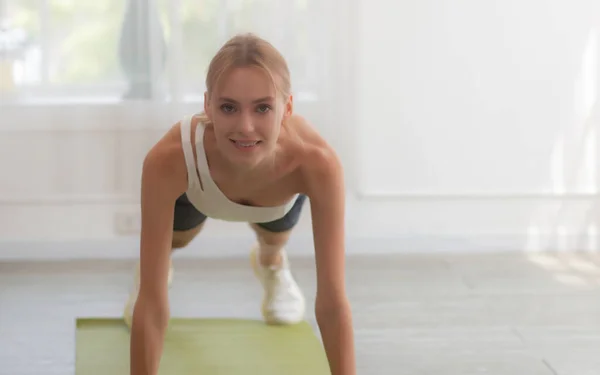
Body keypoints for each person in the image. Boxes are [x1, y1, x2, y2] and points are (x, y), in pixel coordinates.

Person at [125, 33, 355, 375]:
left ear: (287, 108)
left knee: (273, 239)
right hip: (199, 188)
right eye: (229, 107)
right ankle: (155, 267)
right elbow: (154, 305)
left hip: (276, 197)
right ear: (208, 106)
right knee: (177, 240)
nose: (245, 127)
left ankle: (271, 262)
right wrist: (151, 284)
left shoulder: (317, 163)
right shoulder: (170, 159)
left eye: (263, 107)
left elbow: (333, 303)